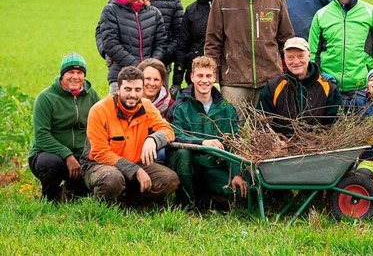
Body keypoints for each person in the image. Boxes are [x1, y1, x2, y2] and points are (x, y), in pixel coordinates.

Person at [204, 0, 295, 109]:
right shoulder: (222, 1)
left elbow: (286, 41)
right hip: (234, 81)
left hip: (270, 80)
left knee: (269, 130)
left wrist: (289, 75)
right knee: (230, 130)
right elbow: (213, 43)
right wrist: (213, 76)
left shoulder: (276, 1)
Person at [82, 66, 179, 205]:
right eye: (128, 89)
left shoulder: (147, 106)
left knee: (170, 180)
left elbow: (167, 130)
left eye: (138, 90)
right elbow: (100, 152)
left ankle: (127, 200)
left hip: (136, 161)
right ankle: (105, 200)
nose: (133, 94)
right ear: (118, 89)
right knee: (112, 179)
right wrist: (135, 170)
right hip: (100, 165)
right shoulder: (99, 110)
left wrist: (153, 139)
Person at [168, 56, 248, 211]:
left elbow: (234, 142)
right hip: (186, 166)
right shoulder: (180, 106)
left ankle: (204, 199)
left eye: (208, 76)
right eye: (199, 76)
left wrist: (236, 174)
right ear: (192, 77)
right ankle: (186, 205)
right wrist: (202, 143)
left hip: (213, 167)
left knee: (241, 194)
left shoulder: (226, 108)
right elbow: (174, 135)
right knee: (183, 154)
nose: (204, 80)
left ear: (214, 78)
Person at [28, 53, 100, 202]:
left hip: (82, 154)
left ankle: (71, 190)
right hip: (50, 154)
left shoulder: (91, 95)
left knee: (82, 195)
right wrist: (67, 155)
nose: (75, 77)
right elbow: (41, 136)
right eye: (70, 72)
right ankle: (50, 197)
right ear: (62, 75)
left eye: (79, 73)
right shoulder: (46, 97)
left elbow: (101, 126)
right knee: (50, 163)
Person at [97, 0, 167, 92]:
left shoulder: (154, 13)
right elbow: (111, 44)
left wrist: (150, 66)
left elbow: (161, 43)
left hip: (149, 79)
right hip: (121, 76)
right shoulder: (111, 10)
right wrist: (139, 67)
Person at [256, 37, 343, 136]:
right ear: (284, 58)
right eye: (290, 57)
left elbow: (335, 123)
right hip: (282, 148)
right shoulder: (272, 88)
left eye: (300, 56)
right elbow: (261, 123)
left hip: (319, 147)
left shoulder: (328, 87)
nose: (296, 62)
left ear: (309, 56)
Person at [172, 0, 228, 96]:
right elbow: (182, 46)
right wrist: (176, 81)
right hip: (199, 75)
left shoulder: (231, 7)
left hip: (227, 74)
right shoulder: (191, 11)